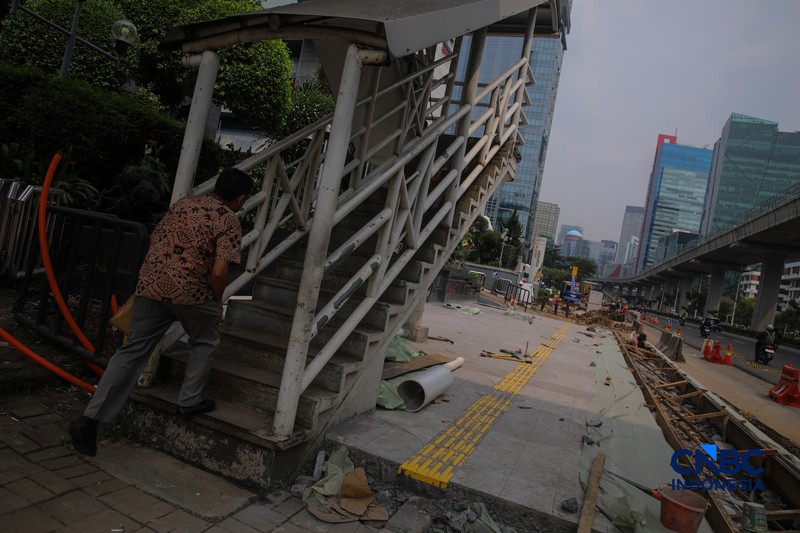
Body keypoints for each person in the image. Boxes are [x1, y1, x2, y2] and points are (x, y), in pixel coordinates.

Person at [69, 168, 253, 457]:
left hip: (151, 285)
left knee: (131, 353)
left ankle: (89, 421)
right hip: (191, 292)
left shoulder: (184, 204)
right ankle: (189, 402)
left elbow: (155, 237)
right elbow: (219, 271)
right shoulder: (227, 219)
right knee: (205, 340)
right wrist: (217, 301)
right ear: (240, 198)